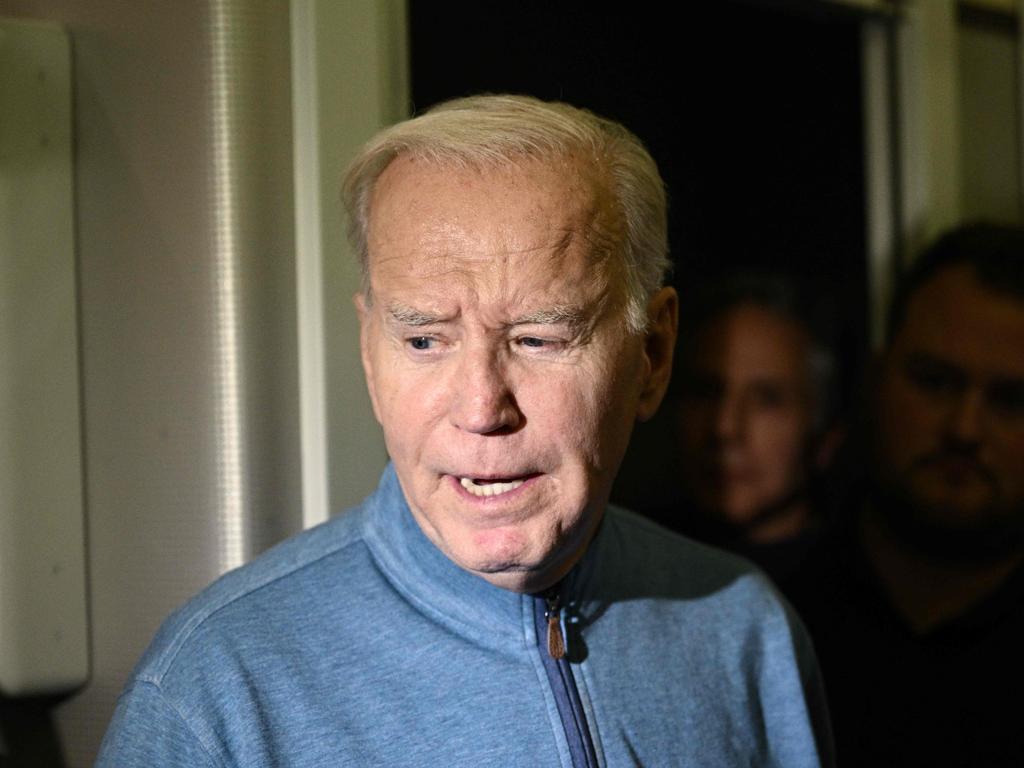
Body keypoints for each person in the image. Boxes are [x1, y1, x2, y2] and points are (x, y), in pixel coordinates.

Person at [97, 95, 832, 767]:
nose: (482, 408)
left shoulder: (742, 630)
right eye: (424, 340)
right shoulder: (215, 691)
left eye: (540, 338)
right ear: (368, 354)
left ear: (653, 353)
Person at [792, 223, 1024, 767]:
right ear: (877, 380)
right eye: (935, 381)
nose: (965, 429)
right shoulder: (773, 625)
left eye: (1011, 400)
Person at [653, 275, 843, 588]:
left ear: (825, 435)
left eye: (767, 400)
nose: (725, 428)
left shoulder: (858, 586)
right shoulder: (622, 570)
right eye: (707, 391)